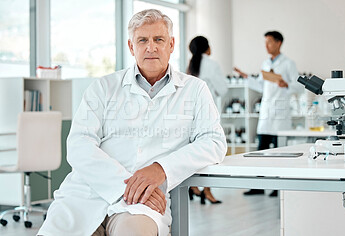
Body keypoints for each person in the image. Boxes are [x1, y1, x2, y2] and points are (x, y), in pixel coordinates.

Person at [38, 9, 227, 236]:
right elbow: (79, 144)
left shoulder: (195, 90)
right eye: (142, 40)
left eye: (159, 39)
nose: (151, 47)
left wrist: (161, 169)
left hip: (143, 206)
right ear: (131, 46)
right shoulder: (103, 88)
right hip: (86, 194)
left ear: (171, 44)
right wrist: (127, 186)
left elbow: (214, 141)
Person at [234, 31, 302, 196]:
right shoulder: (265, 63)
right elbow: (261, 86)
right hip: (266, 112)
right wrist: (246, 77)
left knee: (279, 152)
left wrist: (286, 85)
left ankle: (278, 188)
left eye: (270, 42)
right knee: (260, 151)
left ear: (278, 43)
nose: (266, 45)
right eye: (265, 42)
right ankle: (258, 186)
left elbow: (298, 85)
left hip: (280, 112)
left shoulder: (288, 64)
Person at [186, 36, 228, 205]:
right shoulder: (211, 64)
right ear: (207, 48)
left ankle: (194, 187)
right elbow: (223, 89)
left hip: (191, 116)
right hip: (207, 116)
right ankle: (207, 191)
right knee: (211, 154)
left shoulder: (190, 65)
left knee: (195, 152)